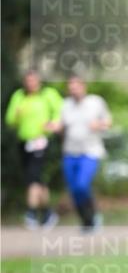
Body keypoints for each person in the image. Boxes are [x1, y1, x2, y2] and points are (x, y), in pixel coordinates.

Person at [48, 76, 112, 231]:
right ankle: (86, 220)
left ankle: (92, 217)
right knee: (74, 190)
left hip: (90, 151)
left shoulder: (96, 102)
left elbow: (108, 122)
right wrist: (55, 127)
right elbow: (61, 125)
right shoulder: (65, 105)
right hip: (70, 152)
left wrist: (99, 124)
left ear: (84, 87)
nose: (73, 90)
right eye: (71, 88)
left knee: (82, 185)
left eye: (76, 87)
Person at [4, 70, 62, 229]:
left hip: (41, 140)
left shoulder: (48, 95)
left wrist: (53, 123)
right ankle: (47, 213)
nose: (31, 84)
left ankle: (31, 212)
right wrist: (16, 115)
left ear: (39, 81)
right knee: (37, 179)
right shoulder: (19, 96)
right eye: (28, 81)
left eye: (33, 80)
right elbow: (10, 120)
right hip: (24, 142)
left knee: (33, 176)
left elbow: (60, 111)